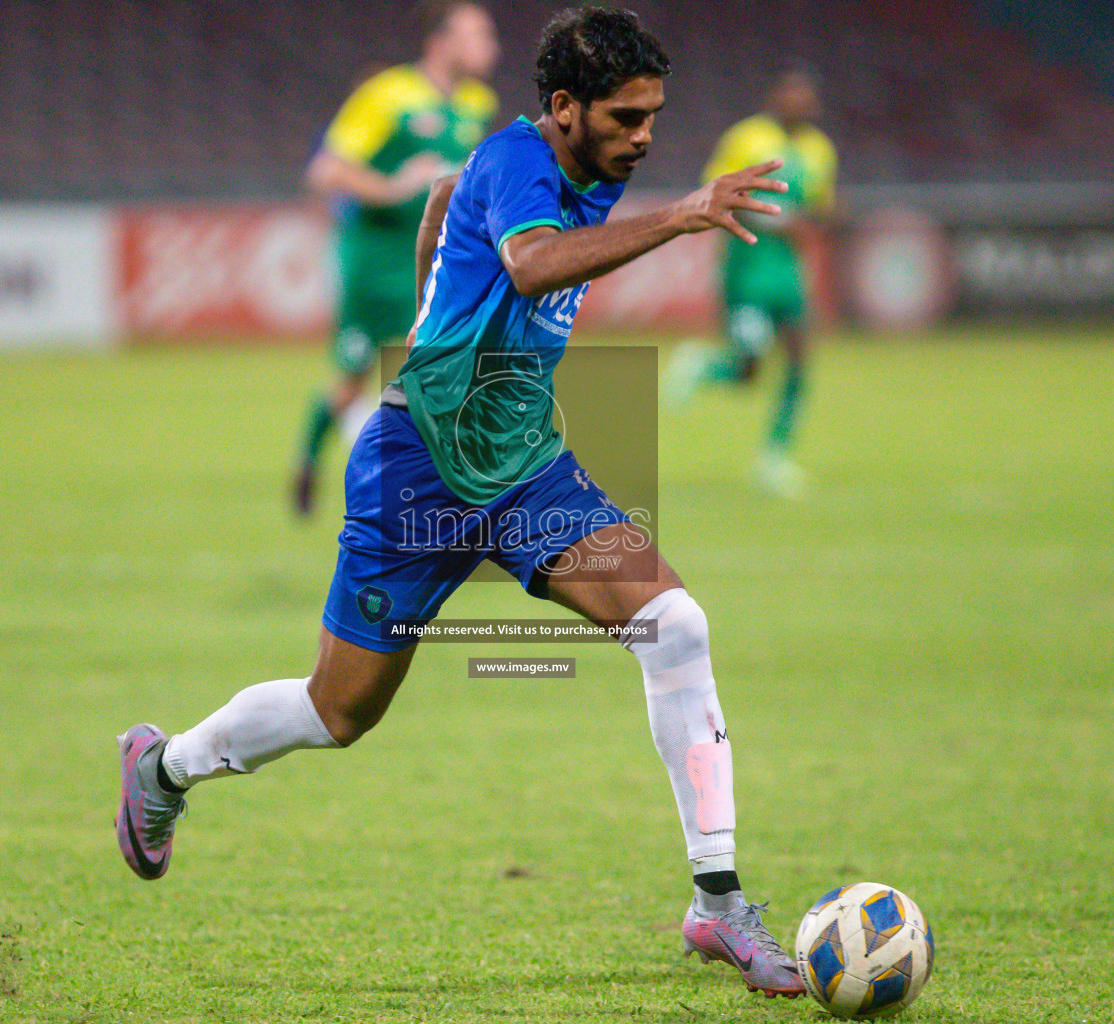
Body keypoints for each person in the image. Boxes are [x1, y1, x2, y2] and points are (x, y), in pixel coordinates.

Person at [117, 7, 805, 1000]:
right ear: (563, 107)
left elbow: (444, 198)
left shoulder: (573, 165)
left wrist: (434, 305)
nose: (643, 135)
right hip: (415, 468)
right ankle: (166, 770)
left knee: (674, 624)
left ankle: (718, 897)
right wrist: (688, 213)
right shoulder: (524, 160)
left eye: (653, 114)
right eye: (625, 116)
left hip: (523, 461)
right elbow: (527, 260)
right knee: (339, 710)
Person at [292, 0, 500, 515]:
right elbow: (325, 172)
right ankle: (309, 462)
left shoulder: (478, 103)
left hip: (432, 267)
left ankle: (436, 497)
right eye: (478, 35)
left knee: (444, 371)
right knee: (350, 382)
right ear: (442, 41)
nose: (490, 47)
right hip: (375, 264)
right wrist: (392, 187)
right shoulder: (388, 95)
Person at [665, 62, 838, 498]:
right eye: (793, 93)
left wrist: (824, 218)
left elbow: (819, 206)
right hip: (747, 268)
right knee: (749, 366)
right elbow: (716, 196)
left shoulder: (819, 149)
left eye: (808, 96)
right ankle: (702, 365)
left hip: (787, 272)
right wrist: (781, 224)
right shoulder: (748, 138)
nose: (802, 103)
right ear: (776, 97)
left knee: (799, 358)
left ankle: (774, 458)